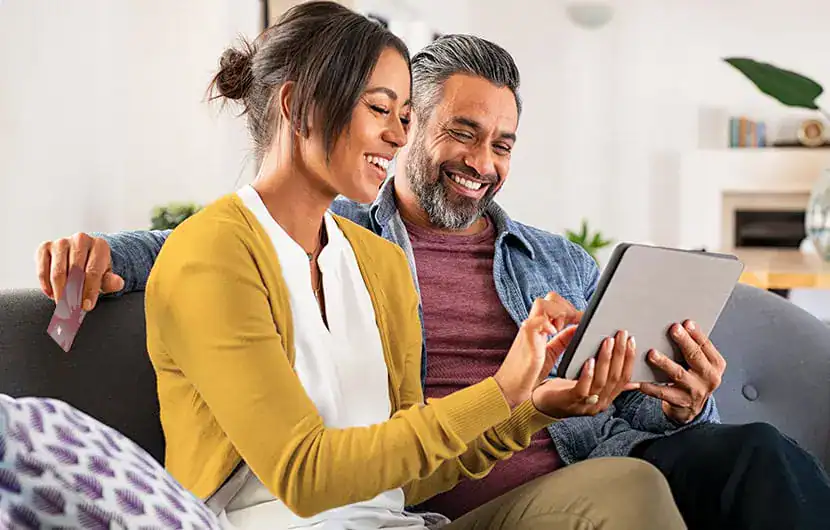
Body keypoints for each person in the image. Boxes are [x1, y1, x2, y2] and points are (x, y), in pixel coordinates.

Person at [40, 24, 824, 530]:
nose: (483, 161)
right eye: (460, 131)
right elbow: (206, 245)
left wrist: (674, 401)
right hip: (432, 496)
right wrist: (103, 253)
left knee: (749, 454)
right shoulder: (328, 235)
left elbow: (613, 405)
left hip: (562, 468)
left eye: (503, 144)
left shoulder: (544, 259)